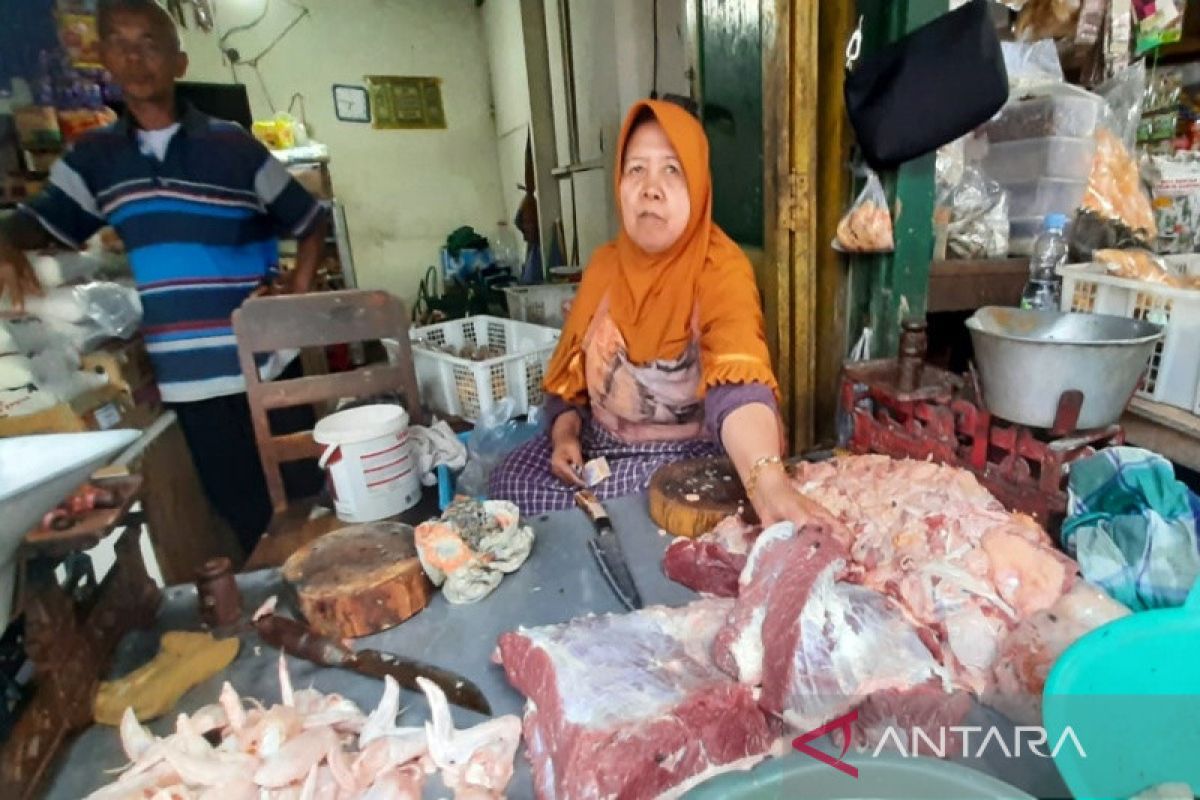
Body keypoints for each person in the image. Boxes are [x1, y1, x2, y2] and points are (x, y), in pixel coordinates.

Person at [0, 0, 327, 554]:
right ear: (103, 56)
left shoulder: (232, 146)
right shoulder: (96, 160)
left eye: (149, 42)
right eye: (120, 42)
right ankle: (287, 616)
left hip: (267, 362)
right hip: (192, 378)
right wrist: (6, 242)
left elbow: (310, 219)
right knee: (245, 514)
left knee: (307, 496)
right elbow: (41, 225)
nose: (135, 55)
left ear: (177, 60)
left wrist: (294, 301)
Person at [489, 99, 830, 529]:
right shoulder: (603, 268)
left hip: (683, 456)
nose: (651, 188)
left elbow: (739, 386)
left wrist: (768, 482)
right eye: (636, 169)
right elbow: (567, 387)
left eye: (672, 169)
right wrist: (566, 437)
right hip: (600, 445)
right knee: (507, 483)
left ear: (699, 184)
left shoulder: (719, 268)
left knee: (647, 508)